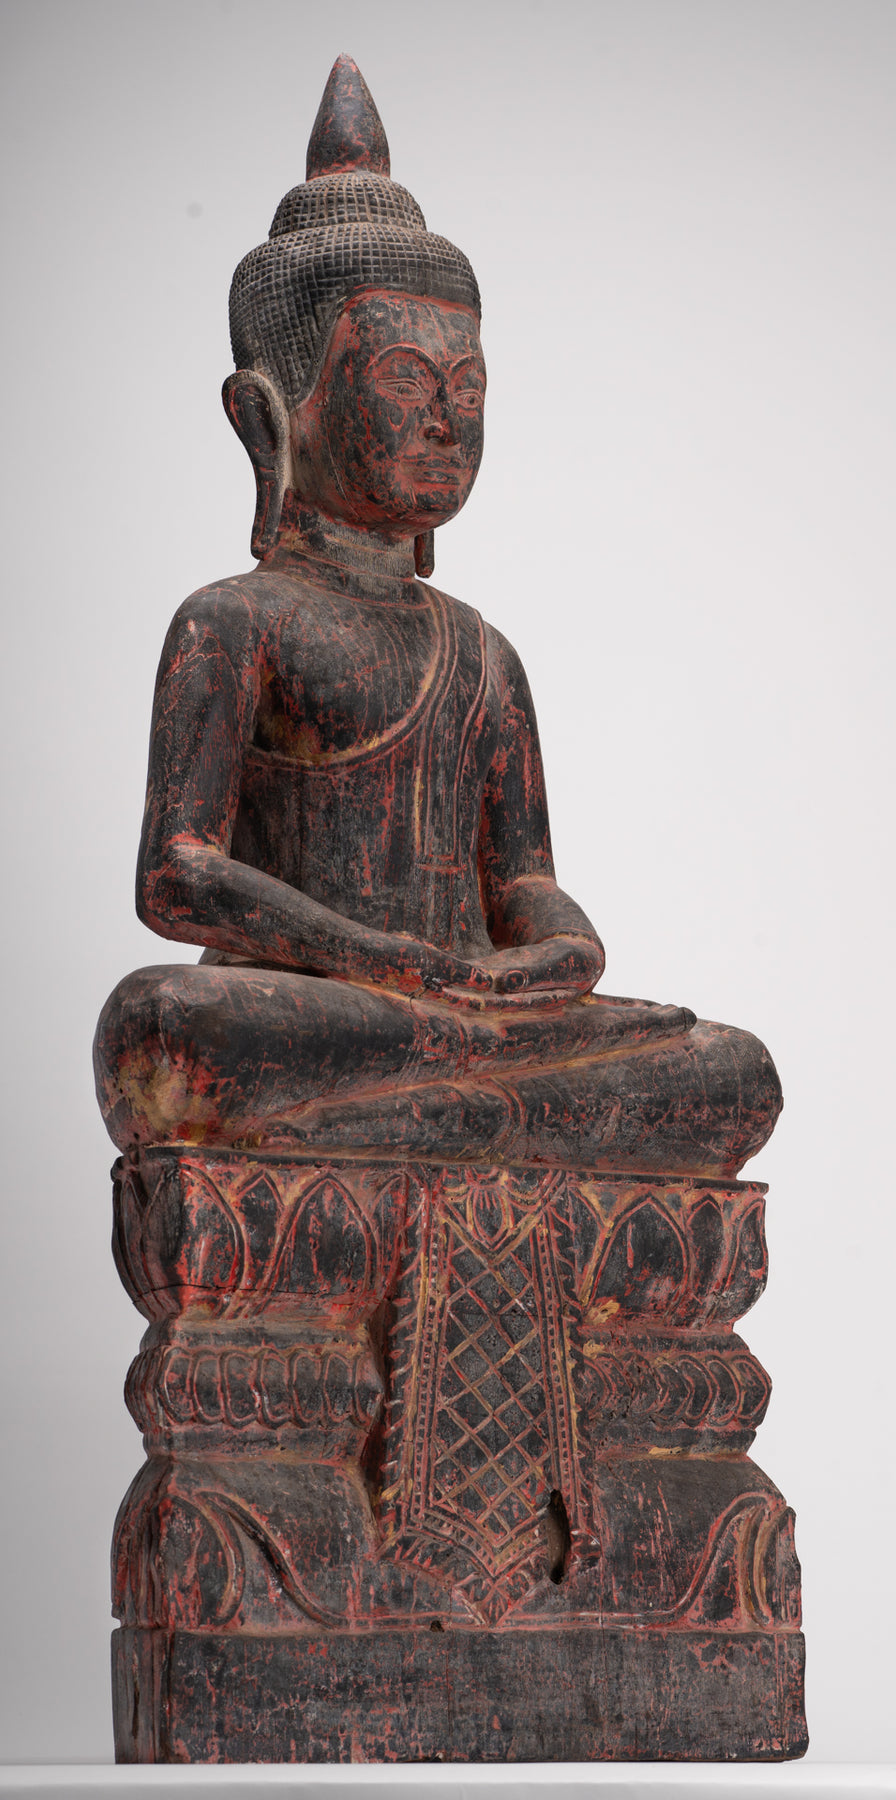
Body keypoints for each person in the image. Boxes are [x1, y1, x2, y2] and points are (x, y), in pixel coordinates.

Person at [94, 57, 781, 1176]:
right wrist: (384, 962)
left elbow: (521, 884)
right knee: (167, 1030)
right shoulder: (232, 622)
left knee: (728, 1071)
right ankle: (436, 1116)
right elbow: (177, 874)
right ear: (269, 416)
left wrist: (562, 950)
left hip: (476, 1017)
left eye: (469, 387)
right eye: (407, 379)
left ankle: (403, 1120)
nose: (448, 420)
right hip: (328, 1012)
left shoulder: (482, 653)